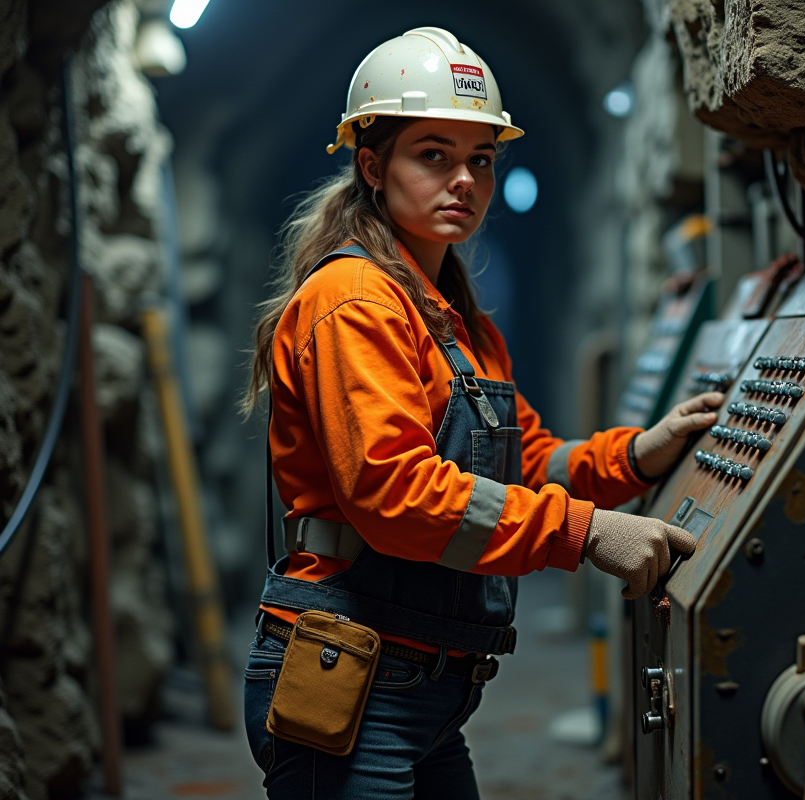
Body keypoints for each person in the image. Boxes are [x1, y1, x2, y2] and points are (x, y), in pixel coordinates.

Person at [240, 27, 721, 799]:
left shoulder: (455, 321)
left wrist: (637, 456)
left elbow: (524, 460)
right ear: (373, 166)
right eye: (433, 154)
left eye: (482, 159)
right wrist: (587, 533)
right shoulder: (355, 302)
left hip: (427, 681)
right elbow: (395, 496)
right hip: (353, 674)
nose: (463, 179)